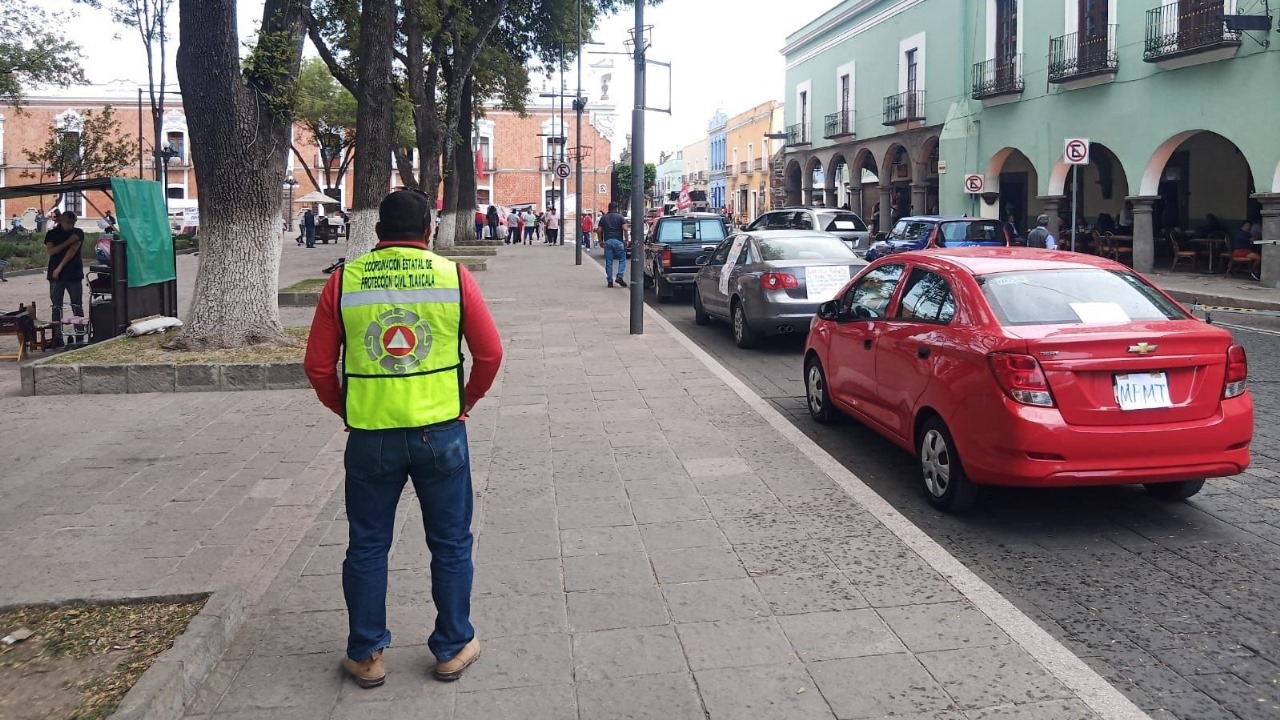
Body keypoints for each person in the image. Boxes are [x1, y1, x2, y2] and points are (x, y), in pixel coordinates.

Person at [304, 190, 504, 690]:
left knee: (368, 546)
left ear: (375, 233)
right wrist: (465, 403)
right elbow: (491, 354)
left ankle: (367, 655)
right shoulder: (453, 277)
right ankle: (453, 646)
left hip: (370, 436)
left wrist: (346, 408)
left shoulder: (343, 281)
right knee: (452, 543)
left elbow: (317, 366)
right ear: (429, 230)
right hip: (442, 433)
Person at [45, 211, 85, 345]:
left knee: (77, 305)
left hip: (73, 274)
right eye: (68, 222)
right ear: (61, 220)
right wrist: (68, 241)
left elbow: (72, 251)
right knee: (56, 307)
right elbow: (51, 251)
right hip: (56, 276)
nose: (71, 226)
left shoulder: (78, 232)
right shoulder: (52, 234)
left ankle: (79, 335)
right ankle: (57, 337)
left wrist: (60, 267)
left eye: (73, 223)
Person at [598, 202, 629, 288]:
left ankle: (610, 281)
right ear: (617, 208)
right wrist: (626, 240)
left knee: (609, 262)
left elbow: (599, 230)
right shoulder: (620, 217)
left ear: (608, 208)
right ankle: (619, 276)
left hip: (608, 241)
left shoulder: (603, 218)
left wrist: (600, 241)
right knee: (622, 260)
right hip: (618, 241)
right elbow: (625, 229)